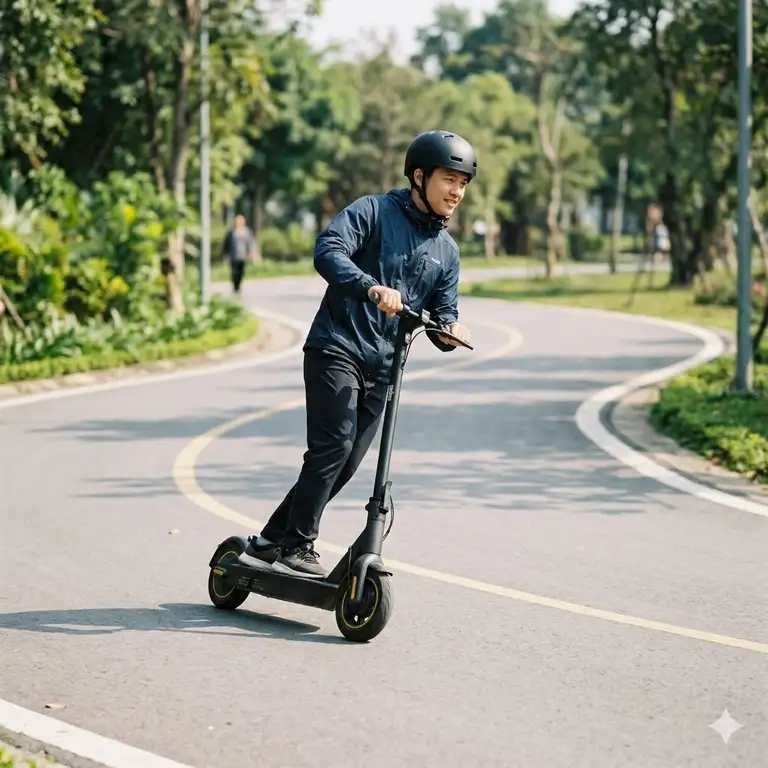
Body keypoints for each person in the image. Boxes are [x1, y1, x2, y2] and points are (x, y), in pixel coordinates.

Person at [239, 130, 477, 578]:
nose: (457, 192)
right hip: (337, 346)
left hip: (384, 367)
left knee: (345, 462)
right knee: (333, 445)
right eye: (449, 179)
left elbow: (444, 314)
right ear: (419, 175)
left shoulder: (447, 251)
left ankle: (273, 537)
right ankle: (299, 544)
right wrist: (369, 287)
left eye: (464, 183)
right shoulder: (373, 211)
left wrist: (451, 332)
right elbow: (328, 251)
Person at [222, 214, 256, 294]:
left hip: (243, 256)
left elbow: (250, 243)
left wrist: (252, 253)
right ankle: (235, 287)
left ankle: (238, 286)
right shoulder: (231, 232)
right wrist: (226, 255)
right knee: (234, 272)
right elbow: (226, 244)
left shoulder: (247, 232)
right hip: (233, 256)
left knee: (241, 272)